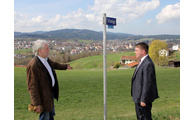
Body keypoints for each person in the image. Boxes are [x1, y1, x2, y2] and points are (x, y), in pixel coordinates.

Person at [26, 39, 72, 120]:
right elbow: (32, 87)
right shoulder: (33, 65)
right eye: (46, 48)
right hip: (43, 98)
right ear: (39, 50)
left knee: (50, 116)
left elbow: (54, 64)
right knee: (45, 117)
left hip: (49, 95)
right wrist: (36, 104)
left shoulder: (45, 60)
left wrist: (65, 66)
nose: (49, 50)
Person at [131, 42, 159, 120]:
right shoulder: (142, 62)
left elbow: (147, 83)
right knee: (140, 117)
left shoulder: (147, 63)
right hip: (139, 97)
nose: (135, 52)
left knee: (145, 118)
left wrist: (144, 99)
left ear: (143, 51)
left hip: (143, 99)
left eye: (136, 50)